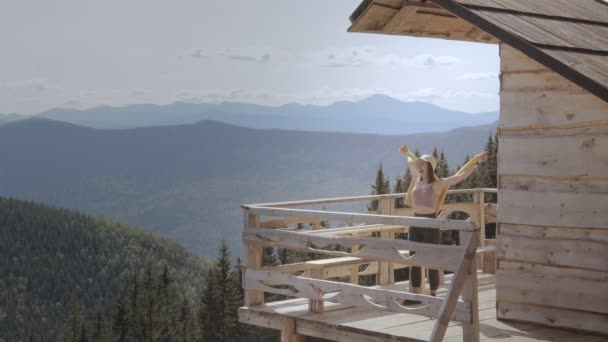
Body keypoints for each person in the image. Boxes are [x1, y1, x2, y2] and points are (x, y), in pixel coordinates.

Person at [399, 145, 486, 298]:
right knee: (414, 258)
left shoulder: (438, 184)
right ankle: (416, 290)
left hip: (431, 222)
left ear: (429, 167)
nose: (419, 166)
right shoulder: (416, 179)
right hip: (415, 222)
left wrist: (476, 162)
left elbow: (460, 177)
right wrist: (406, 153)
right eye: (418, 164)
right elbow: (410, 163)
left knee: (432, 258)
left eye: (422, 164)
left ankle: (433, 291)